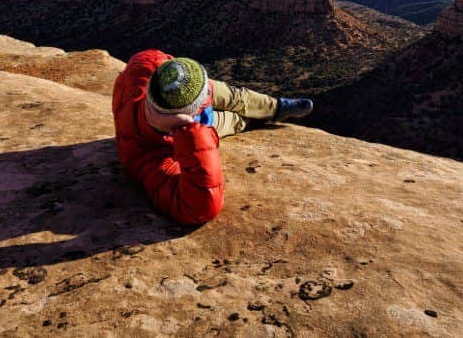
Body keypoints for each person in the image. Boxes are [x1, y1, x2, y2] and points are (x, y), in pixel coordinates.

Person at [112, 50, 314, 225]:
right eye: (204, 96)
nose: (209, 90)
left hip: (180, 102)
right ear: (183, 117)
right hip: (196, 126)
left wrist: (174, 71)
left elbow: (146, 57)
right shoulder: (147, 158)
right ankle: (257, 120)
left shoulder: (155, 81)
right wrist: (191, 134)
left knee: (236, 96)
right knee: (236, 121)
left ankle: (276, 107)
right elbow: (199, 206)